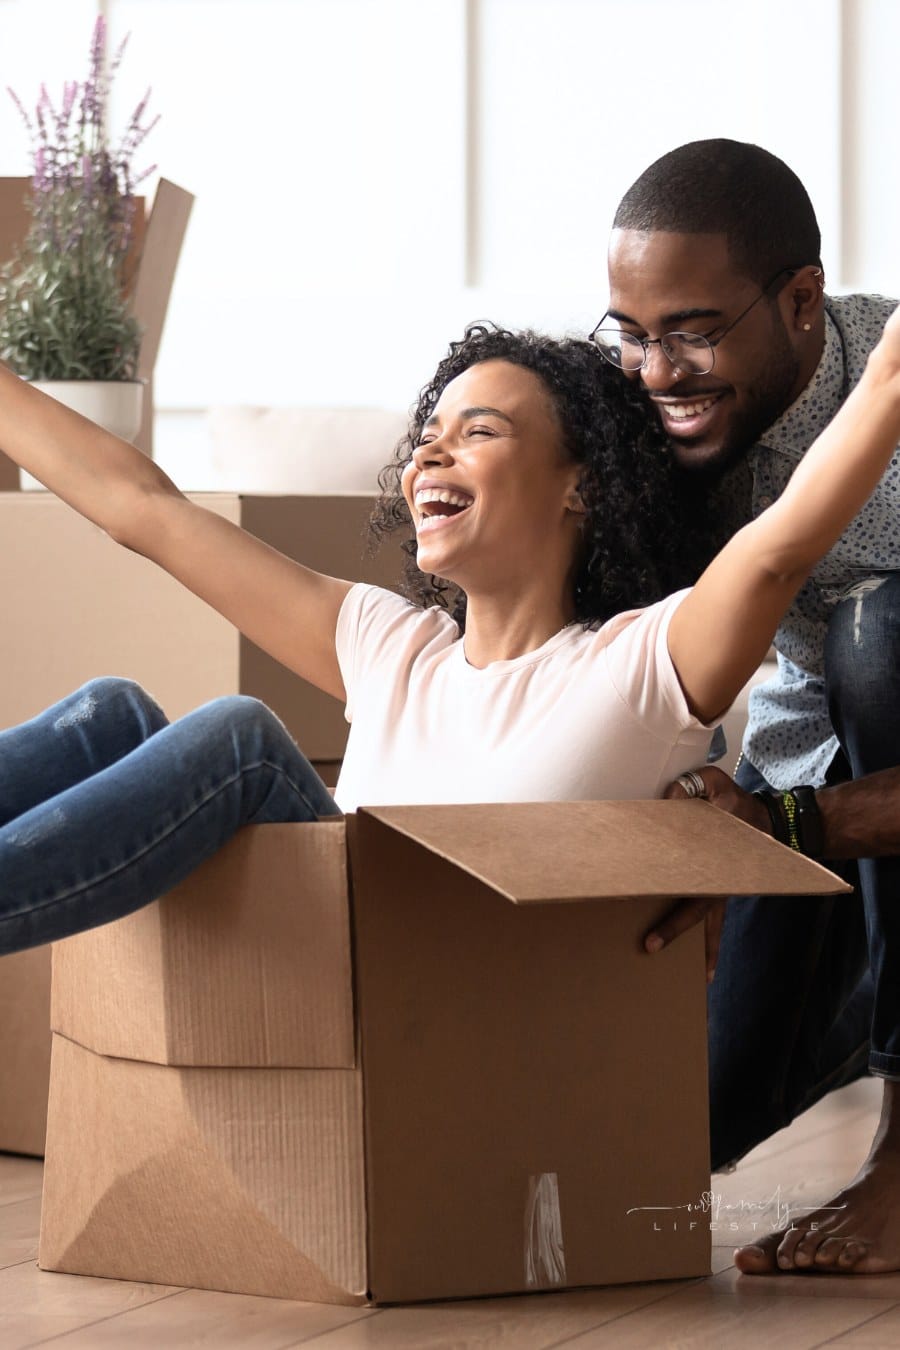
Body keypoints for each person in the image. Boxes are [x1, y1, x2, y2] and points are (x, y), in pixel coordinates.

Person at [1, 312, 899, 1256]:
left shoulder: (636, 669)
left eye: (479, 431)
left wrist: (885, 377)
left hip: (448, 1074)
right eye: (428, 435)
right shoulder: (390, 646)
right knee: (111, 715)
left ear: (582, 485)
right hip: (304, 1042)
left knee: (243, 742)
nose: (431, 452)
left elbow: (778, 549)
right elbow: (143, 507)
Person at [597, 137, 900, 1276]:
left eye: (692, 331)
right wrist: (689, 817)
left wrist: (777, 829)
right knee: (685, 1117)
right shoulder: (643, 425)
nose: (658, 372)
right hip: (804, 780)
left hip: (833, 781)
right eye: (632, 334)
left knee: (880, 638)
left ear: (802, 301)